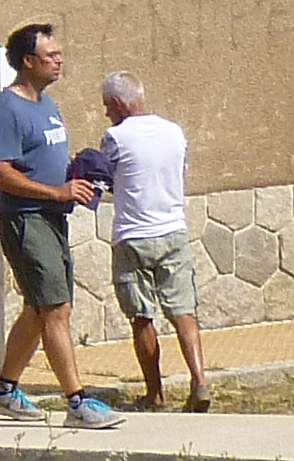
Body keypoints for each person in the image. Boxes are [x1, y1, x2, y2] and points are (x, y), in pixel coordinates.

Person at [0, 22, 115, 428]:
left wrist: (79, 174)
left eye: (58, 54)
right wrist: (56, 192)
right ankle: (77, 402)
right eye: (50, 55)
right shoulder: (6, 110)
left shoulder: (47, 104)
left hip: (53, 219)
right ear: (27, 61)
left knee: (42, 309)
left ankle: (5, 391)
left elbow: (47, 156)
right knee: (55, 309)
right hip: (26, 220)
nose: (59, 60)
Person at [91, 71, 212, 413]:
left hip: (133, 236)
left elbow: (107, 181)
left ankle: (155, 393)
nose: (106, 114)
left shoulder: (115, 137)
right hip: (173, 230)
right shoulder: (174, 132)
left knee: (142, 317)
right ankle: (200, 379)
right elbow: (178, 172)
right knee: (183, 311)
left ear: (117, 103)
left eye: (106, 106)